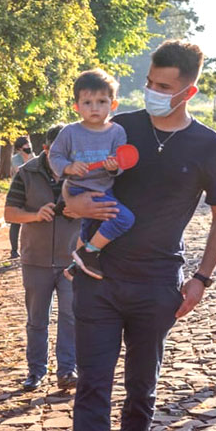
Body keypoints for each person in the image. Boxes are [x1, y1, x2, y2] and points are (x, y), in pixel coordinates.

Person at [61, 40, 216, 431]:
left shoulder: (209, 145)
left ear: (188, 91)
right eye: (150, 83)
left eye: (164, 87)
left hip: (159, 285)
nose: (152, 92)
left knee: (141, 391)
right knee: (92, 386)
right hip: (97, 276)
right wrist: (75, 206)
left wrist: (202, 277)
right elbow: (70, 179)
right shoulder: (119, 127)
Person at [5, 124, 81, 391]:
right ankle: (36, 371)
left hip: (72, 259)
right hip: (35, 259)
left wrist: (78, 211)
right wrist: (36, 215)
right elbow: (10, 213)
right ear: (46, 149)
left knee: (71, 316)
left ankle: (67, 371)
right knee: (37, 319)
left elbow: (100, 209)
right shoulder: (27, 173)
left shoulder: (81, 173)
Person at [49, 69, 133, 280]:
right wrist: (68, 167)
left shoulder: (117, 132)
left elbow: (120, 164)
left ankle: (74, 266)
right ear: (76, 107)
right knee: (124, 219)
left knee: (88, 228)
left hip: (104, 188)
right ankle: (90, 252)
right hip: (79, 187)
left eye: (101, 101)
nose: (94, 107)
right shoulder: (70, 132)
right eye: (87, 103)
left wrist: (113, 167)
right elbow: (55, 156)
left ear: (113, 104)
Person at [8, 136, 34, 259]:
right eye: (26, 145)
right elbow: (20, 171)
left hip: (32, 191)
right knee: (16, 222)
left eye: (29, 144)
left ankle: (30, 248)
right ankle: (14, 250)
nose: (28, 147)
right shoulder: (16, 158)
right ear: (19, 149)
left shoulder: (34, 156)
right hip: (18, 191)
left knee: (31, 221)